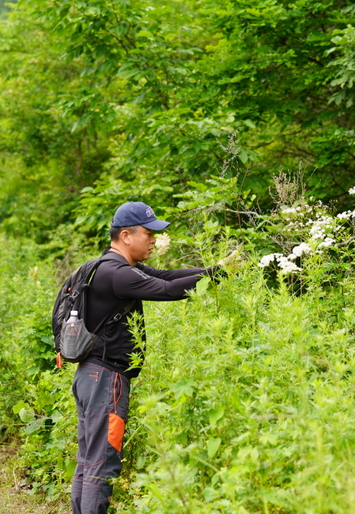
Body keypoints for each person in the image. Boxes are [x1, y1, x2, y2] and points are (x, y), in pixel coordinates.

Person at [69, 202, 237, 514]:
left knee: (88, 461)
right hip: (106, 381)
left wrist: (215, 268)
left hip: (89, 377)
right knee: (101, 464)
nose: (154, 240)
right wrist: (219, 273)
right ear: (125, 235)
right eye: (148, 233)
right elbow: (170, 289)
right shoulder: (118, 275)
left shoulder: (106, 266)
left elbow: (169, 274)